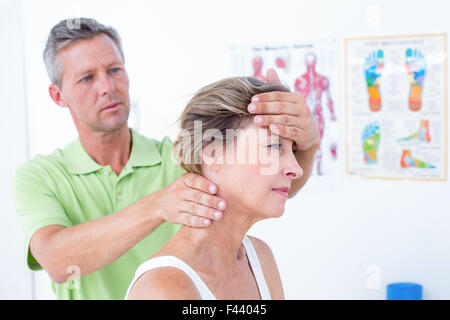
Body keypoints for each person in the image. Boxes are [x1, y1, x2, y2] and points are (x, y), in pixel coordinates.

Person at [13, 18, 319, 300]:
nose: (107, 87)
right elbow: (58, 261)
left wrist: (308, 137)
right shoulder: (40, 176)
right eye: (86, 78)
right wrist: (157, 205)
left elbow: (267, 185)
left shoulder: (176, 158)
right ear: (58, 96)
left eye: (114, 69)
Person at [125, 77, 308, 300]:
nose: (296, 169)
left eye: (293, 151)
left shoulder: (260, 258)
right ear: (213, 153)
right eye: (273, 146)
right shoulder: (162, 288)